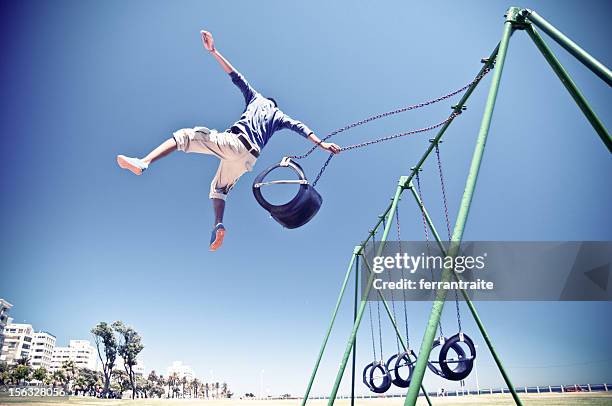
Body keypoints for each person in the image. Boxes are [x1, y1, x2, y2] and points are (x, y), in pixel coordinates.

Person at [117, 31, 341, 251]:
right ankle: (218, 224)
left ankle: (143, 162)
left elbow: (236, 77)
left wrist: (214, 51)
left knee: (185, 136)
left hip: (236, 143)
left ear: (266, 100)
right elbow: (299, 127)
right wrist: (322, 144)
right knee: (219, 189)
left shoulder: (256, 98)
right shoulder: (279, 116)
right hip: (247, 160)